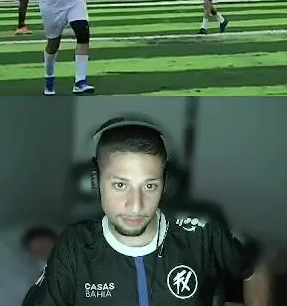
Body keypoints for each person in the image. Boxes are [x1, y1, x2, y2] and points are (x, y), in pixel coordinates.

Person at [22, 118, 268, 306]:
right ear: (97, 181)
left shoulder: (202, 235)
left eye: (149, 186)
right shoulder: (75, 246)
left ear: (165, 184)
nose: (136, 205)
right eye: (120, 185)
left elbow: (256, 267)